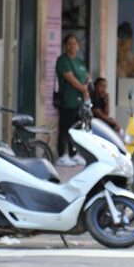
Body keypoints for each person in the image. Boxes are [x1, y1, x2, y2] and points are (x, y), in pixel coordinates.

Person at [55, 34, 90, 167]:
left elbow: (87, 76)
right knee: (65, 128)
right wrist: (84, 88)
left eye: (74, 43)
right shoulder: (63, 61)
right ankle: (62, 155)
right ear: (65, 46)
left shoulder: (80, 62)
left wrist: (87, 86)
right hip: (67, 101)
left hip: (79, 102)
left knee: (76, 129)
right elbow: (70, 78)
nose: (72, 46)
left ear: (78, 46)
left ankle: (73, 153)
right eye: (69, 43)